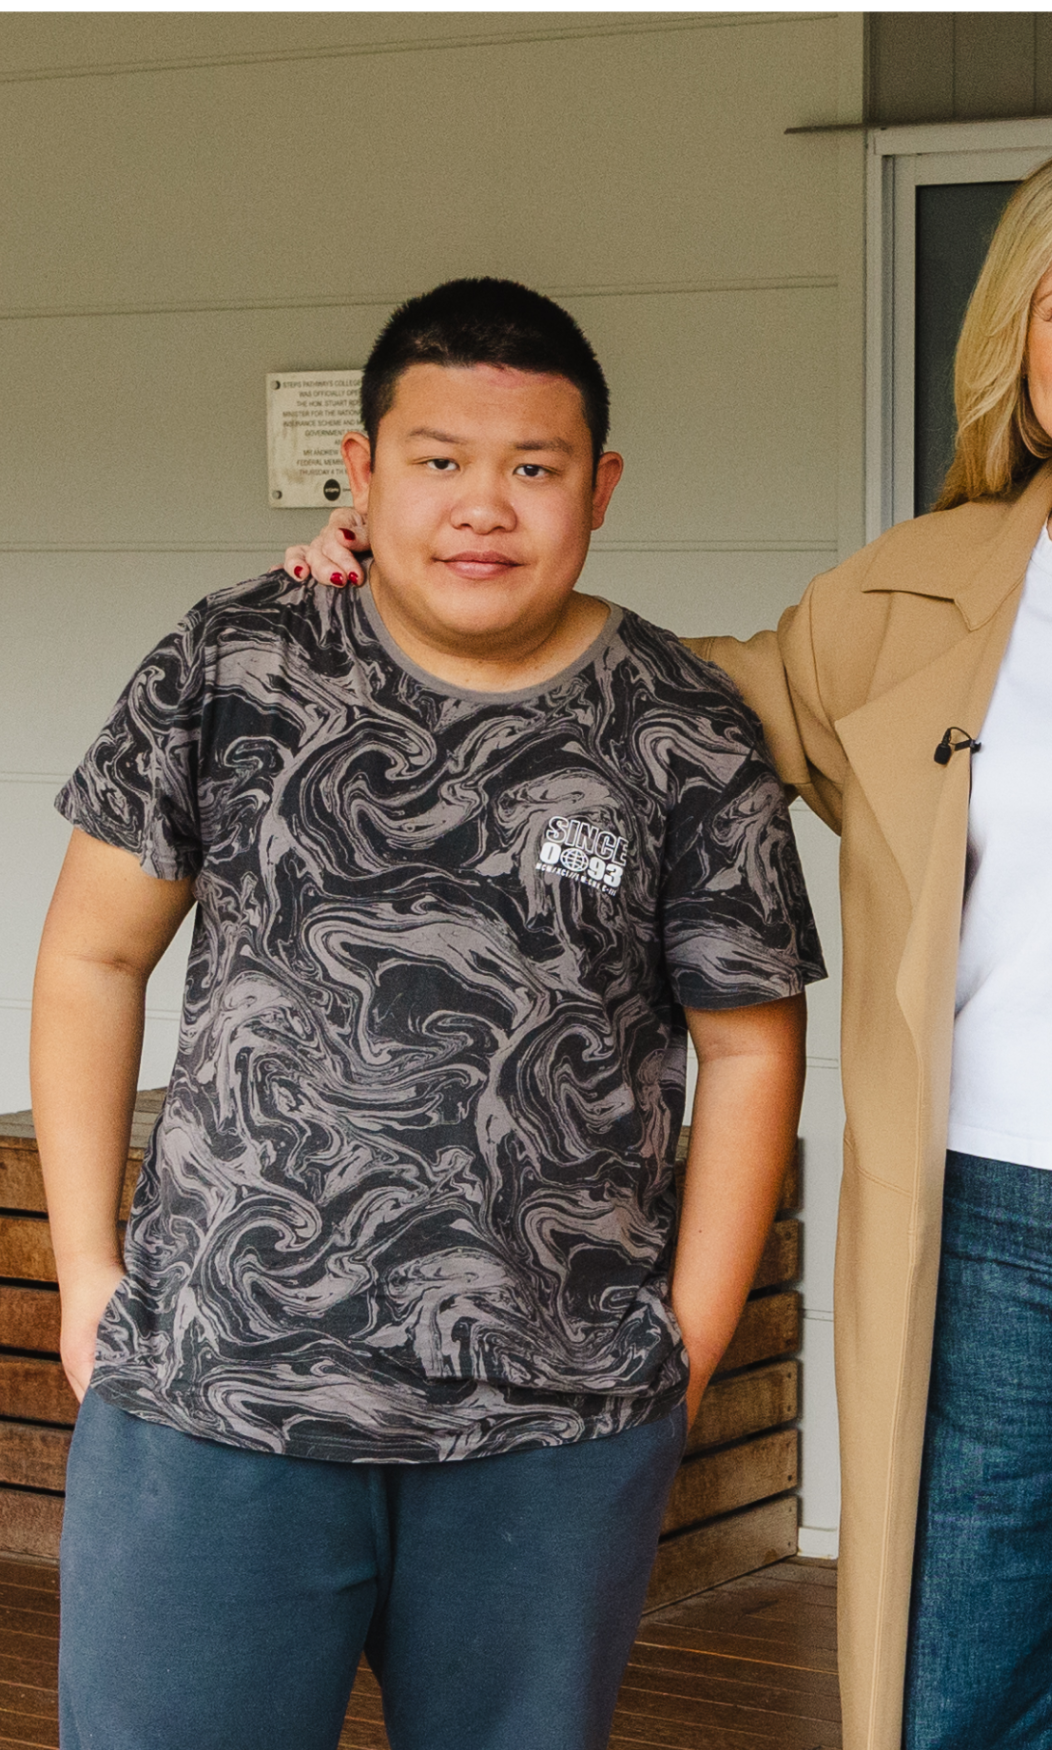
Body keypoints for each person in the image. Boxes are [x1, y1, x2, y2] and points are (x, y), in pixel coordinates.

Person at [292, 144, 1052, 1750]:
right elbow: (678, 698)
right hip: (966, 1225)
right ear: (1019, 350)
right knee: (955, 1675)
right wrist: (417, 588)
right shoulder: (916, 593)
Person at [39, 278, 825, 1750]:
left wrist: (688, 1345)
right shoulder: (234, 662)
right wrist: (89, 1274)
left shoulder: (683, 732)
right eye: (439, 460)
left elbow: (748, 1041)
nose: (484, 506)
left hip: (546, 1426)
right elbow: (92, 956)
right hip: (215, 1395)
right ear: (362, 472)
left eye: (531, 467)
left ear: (598, 487)